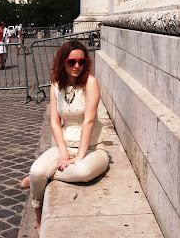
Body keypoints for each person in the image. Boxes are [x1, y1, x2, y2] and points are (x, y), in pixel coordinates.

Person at [20, 40, 109, 236]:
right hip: (65, 144)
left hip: (92, 147)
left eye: (82, 61)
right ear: (63, 62)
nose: (77, 66)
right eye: (71, 62)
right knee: (36, 171)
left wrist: (78, 157)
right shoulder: (56, 85)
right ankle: (39, 216)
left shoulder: (91, 82)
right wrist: (63, 153)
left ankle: (41, 178)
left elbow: (89, 121)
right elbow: (54, 122)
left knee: (82, 171)